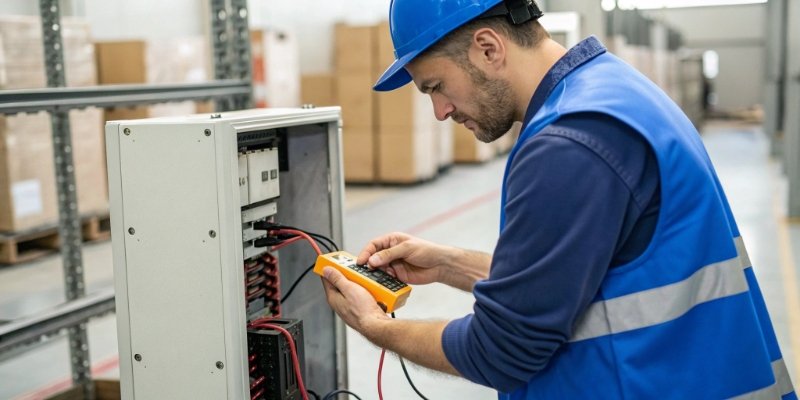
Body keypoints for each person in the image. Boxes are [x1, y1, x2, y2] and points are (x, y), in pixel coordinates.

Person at [320, 0, 797, 398]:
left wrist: (373, 326)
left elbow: (501, 350)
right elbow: (589, 281)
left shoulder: (570, 142)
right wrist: (448, 264)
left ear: (488, 48)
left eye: (436, 86)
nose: (440, 111)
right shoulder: (611, 91)